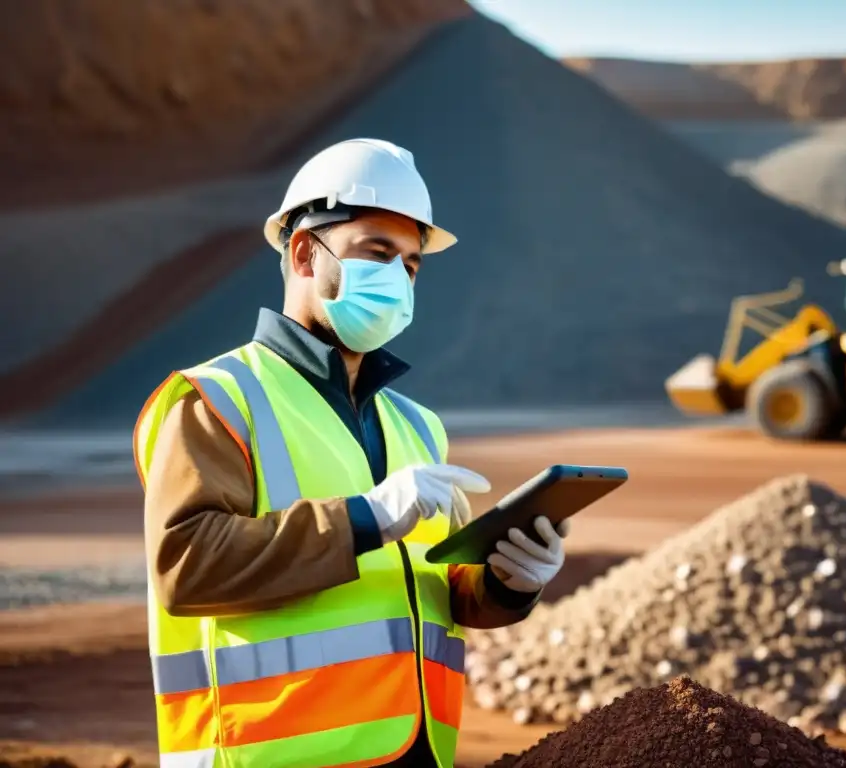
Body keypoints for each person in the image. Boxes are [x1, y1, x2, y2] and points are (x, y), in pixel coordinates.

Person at [134, 138, 570, 768]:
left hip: (415, 751)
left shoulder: (416, 426)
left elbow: (431, 591)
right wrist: (363, 519)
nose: (397, 279)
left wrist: (507, 581)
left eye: (412, 264)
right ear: (306, 252)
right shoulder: (216, 400)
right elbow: (185, 567)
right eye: (377, 253)